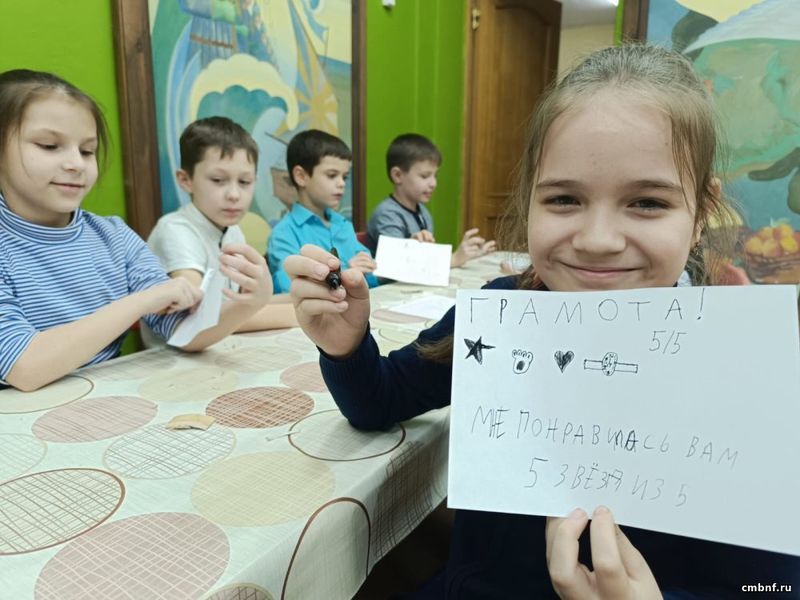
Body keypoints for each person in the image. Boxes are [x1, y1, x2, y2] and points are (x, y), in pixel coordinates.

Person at [283, 45, 800, 598]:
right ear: (530, 197)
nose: (598, 240)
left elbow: (770, 586)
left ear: (700, 214)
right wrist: (346, 347)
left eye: (648, 203)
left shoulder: (745, 373)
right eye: (564, 199)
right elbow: (379, 402)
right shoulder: (504, 314)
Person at [0, 70, 273, 392]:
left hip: (104, 399)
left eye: (87, 151)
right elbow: (23, 367)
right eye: (49, 146)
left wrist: (249, 303)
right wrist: (143, 300)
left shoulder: (114, 237)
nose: (76, 163)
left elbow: (183, 332)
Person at [148, 116, 296, 332]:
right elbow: (199, 316)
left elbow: (238, 305)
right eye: (218, 180)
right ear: (185, 180)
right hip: (178, 349)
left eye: (244, 182)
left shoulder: (233, 231)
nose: (234, 194)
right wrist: (299, 315)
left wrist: (299, 300)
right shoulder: (175, 230)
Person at [267, 129, 378, 293]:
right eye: (332, 175)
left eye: (344, 177)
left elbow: (372, 278)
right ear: (301, 176)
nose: (341, 183)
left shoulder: (343, 224)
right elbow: (289, 287)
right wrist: (347, 274)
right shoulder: (283, 234)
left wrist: (370, 267)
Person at [366, 133, 495, 267]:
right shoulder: (386, 215)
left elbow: (427, 258)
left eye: (435, 176)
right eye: (425, 176)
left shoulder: (423, 212)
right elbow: (397, 265)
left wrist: (469, 255)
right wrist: (454, 259)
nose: (433, 183)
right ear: (397, 175)